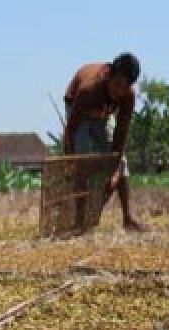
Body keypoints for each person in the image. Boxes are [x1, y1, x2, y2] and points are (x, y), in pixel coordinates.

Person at [64, 53, 148, 232]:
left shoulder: (128, 97)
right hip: (79, 111)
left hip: (103, 113)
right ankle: (80, 222)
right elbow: (71, 129)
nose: (119, 92)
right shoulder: (88, 90)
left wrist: (115, 170)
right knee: (83, 162)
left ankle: (128, 218)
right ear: (110, 75)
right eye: (117, 85)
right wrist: (70, 160)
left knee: (122, 164)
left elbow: (120, 134)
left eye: (124, 88)